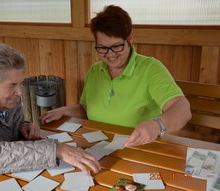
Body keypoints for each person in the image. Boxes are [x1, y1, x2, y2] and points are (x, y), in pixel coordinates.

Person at [0, 43, 100, 190]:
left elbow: (5, 128)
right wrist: (55, 149)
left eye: (20, 83)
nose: (20, 92)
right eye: (12, 85)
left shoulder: (5, 96)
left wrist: (22, 126)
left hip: (1, 176)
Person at [40, 5, 191, 147]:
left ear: (130, 38)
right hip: (99, 144)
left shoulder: (151, 68)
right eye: (103, 48)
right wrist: (63, 111)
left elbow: (183, 109)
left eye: (116, 46)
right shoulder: (95, 71)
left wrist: (157, 124)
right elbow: (86, 109)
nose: (110, 55)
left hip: (138, 146)